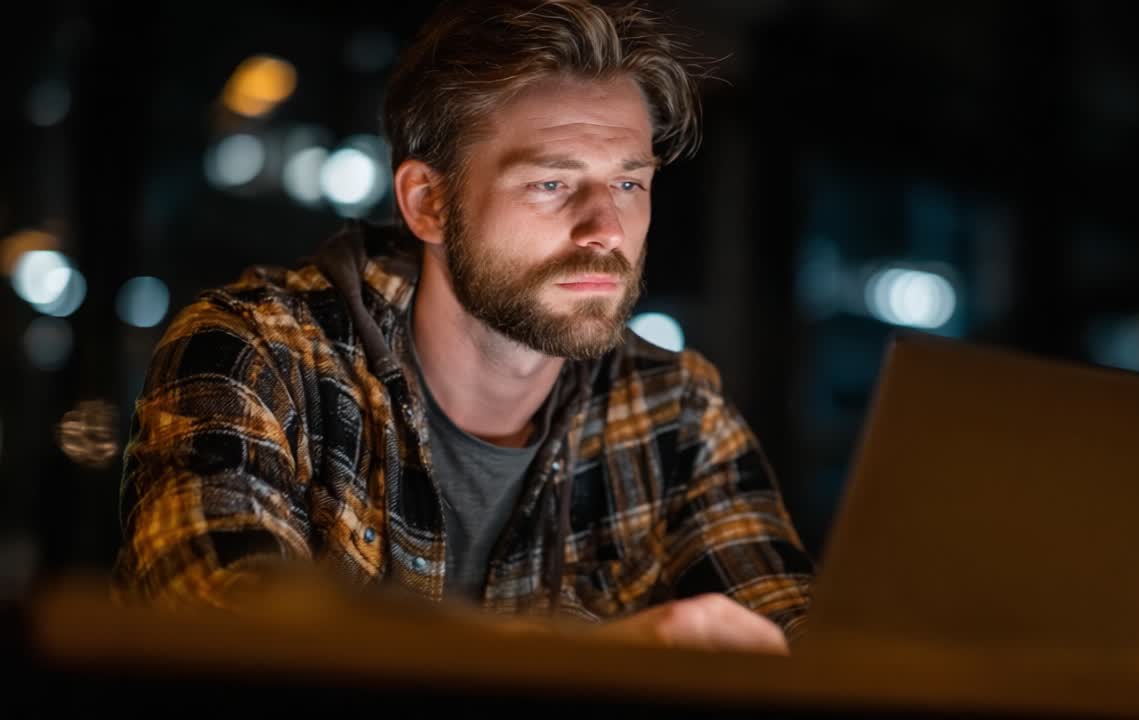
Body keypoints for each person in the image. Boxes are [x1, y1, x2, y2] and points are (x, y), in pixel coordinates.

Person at [112, 0, 813, 655]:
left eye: (629, 183)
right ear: (429, 204)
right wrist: (597, 663)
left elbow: (806, 645)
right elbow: (223, 625)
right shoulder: (260, 353)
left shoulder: (677, 411)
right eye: (551, 183)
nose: (607, 230)